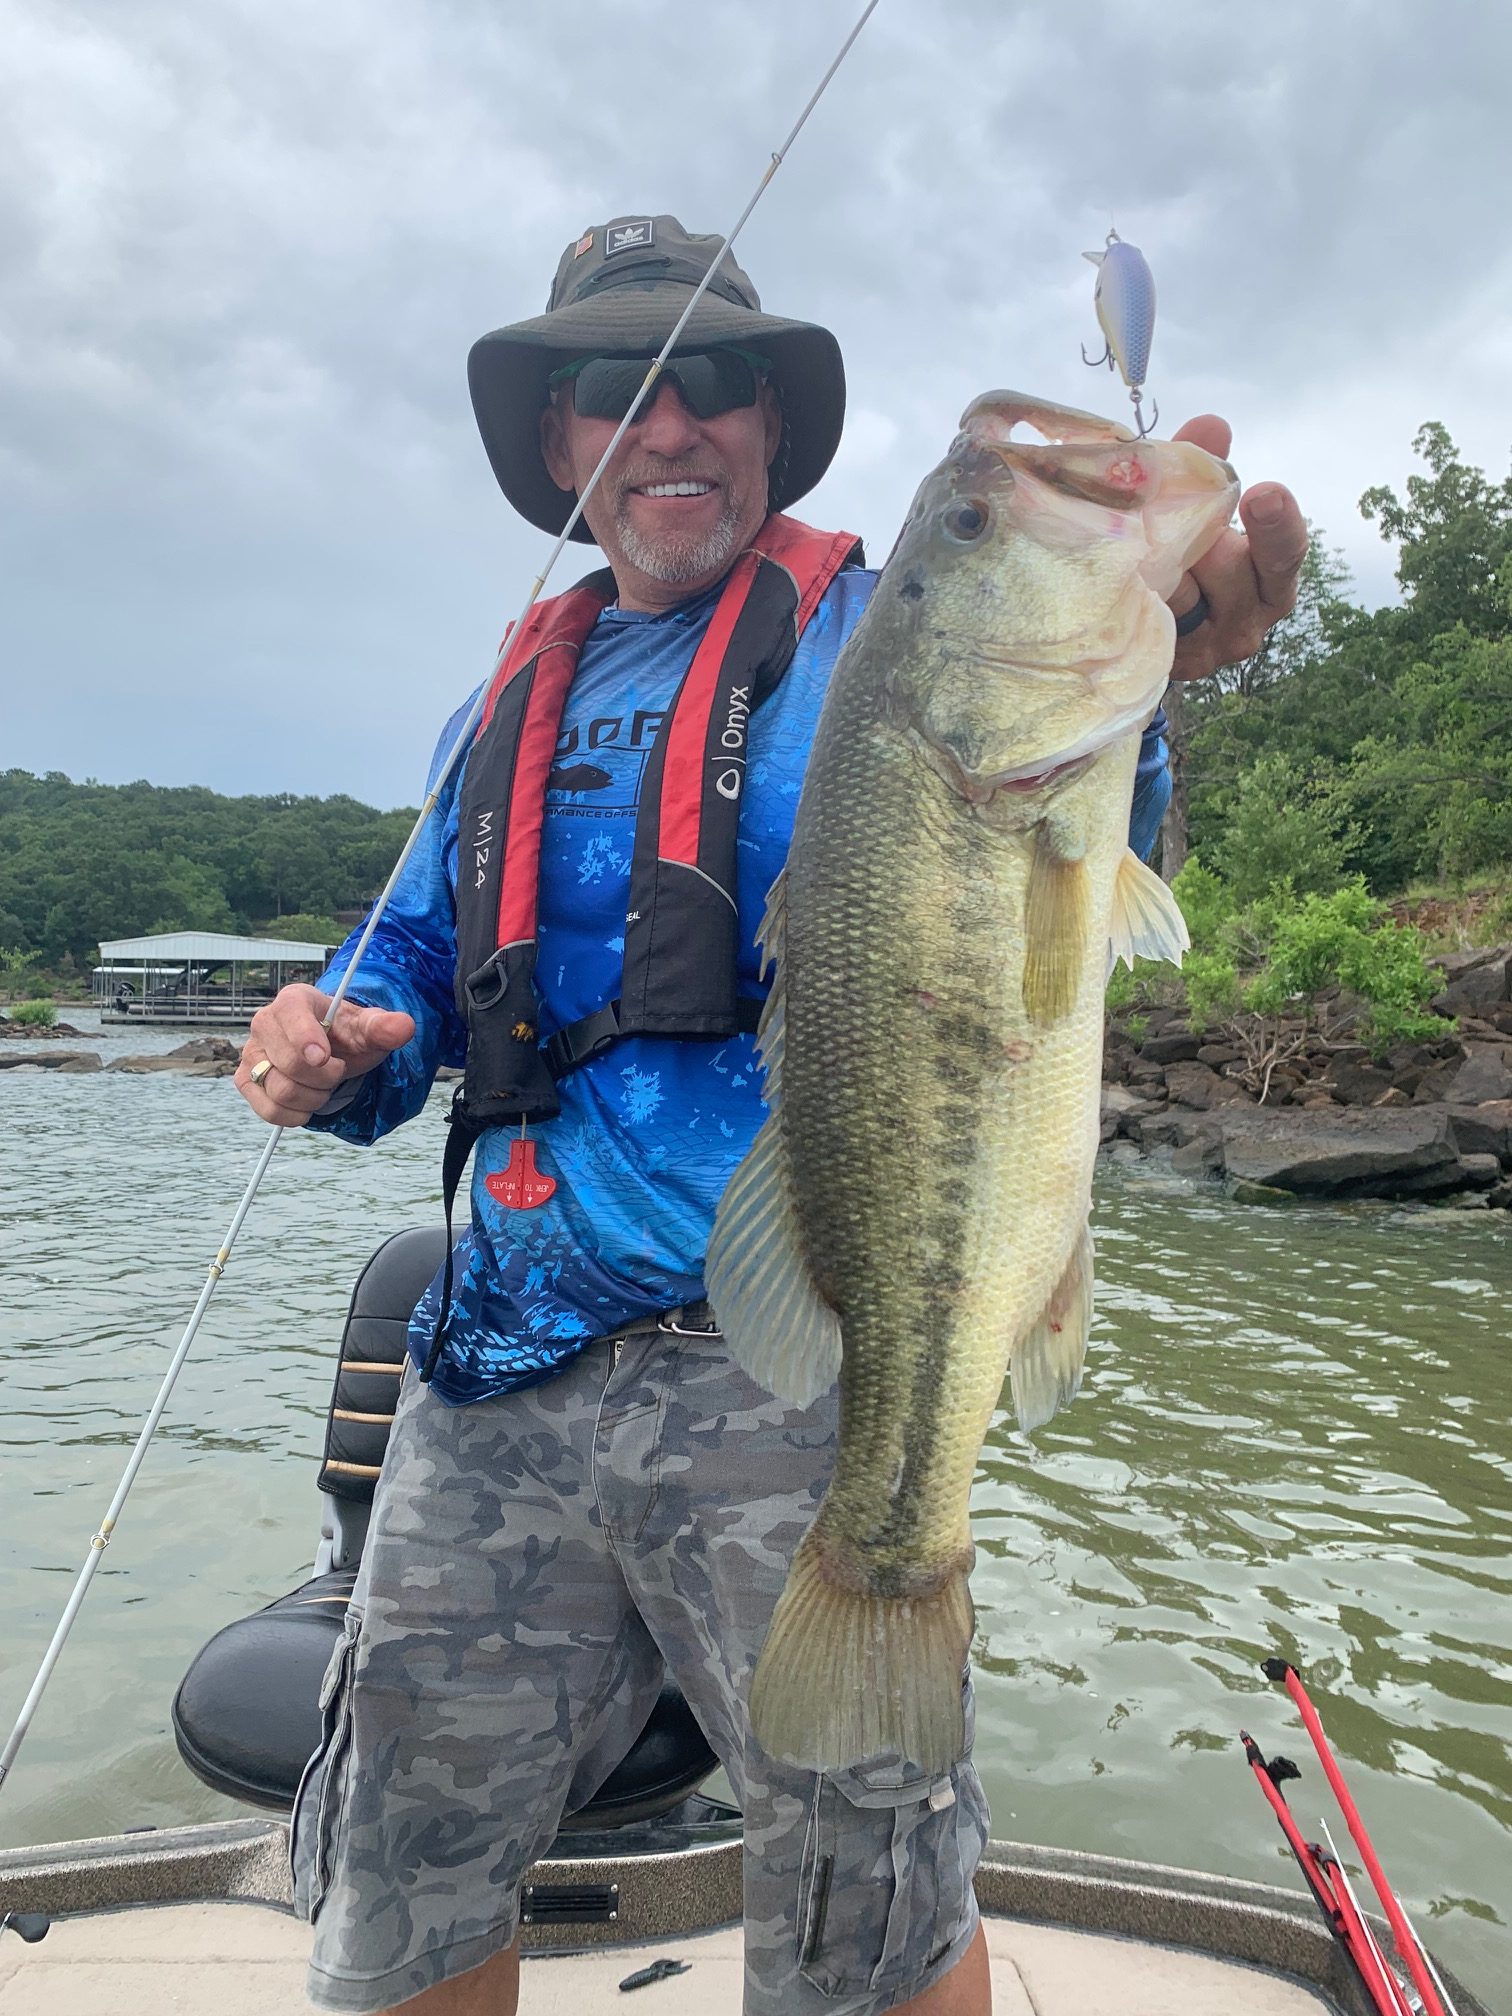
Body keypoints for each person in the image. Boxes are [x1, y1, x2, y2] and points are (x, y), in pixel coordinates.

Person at [237, 214, 1308, 2016]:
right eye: (617, 386)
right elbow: (413, 964)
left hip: (792, 1375)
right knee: (397, 1881)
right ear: (561, 442)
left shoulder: (883, 641)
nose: (669, 423)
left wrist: (1167, 653)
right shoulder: (496, 704)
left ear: (771, 426)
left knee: (864, 1907)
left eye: (714, 382)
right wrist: (334, 1040)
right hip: (489, 1368)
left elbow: (1067, 836)